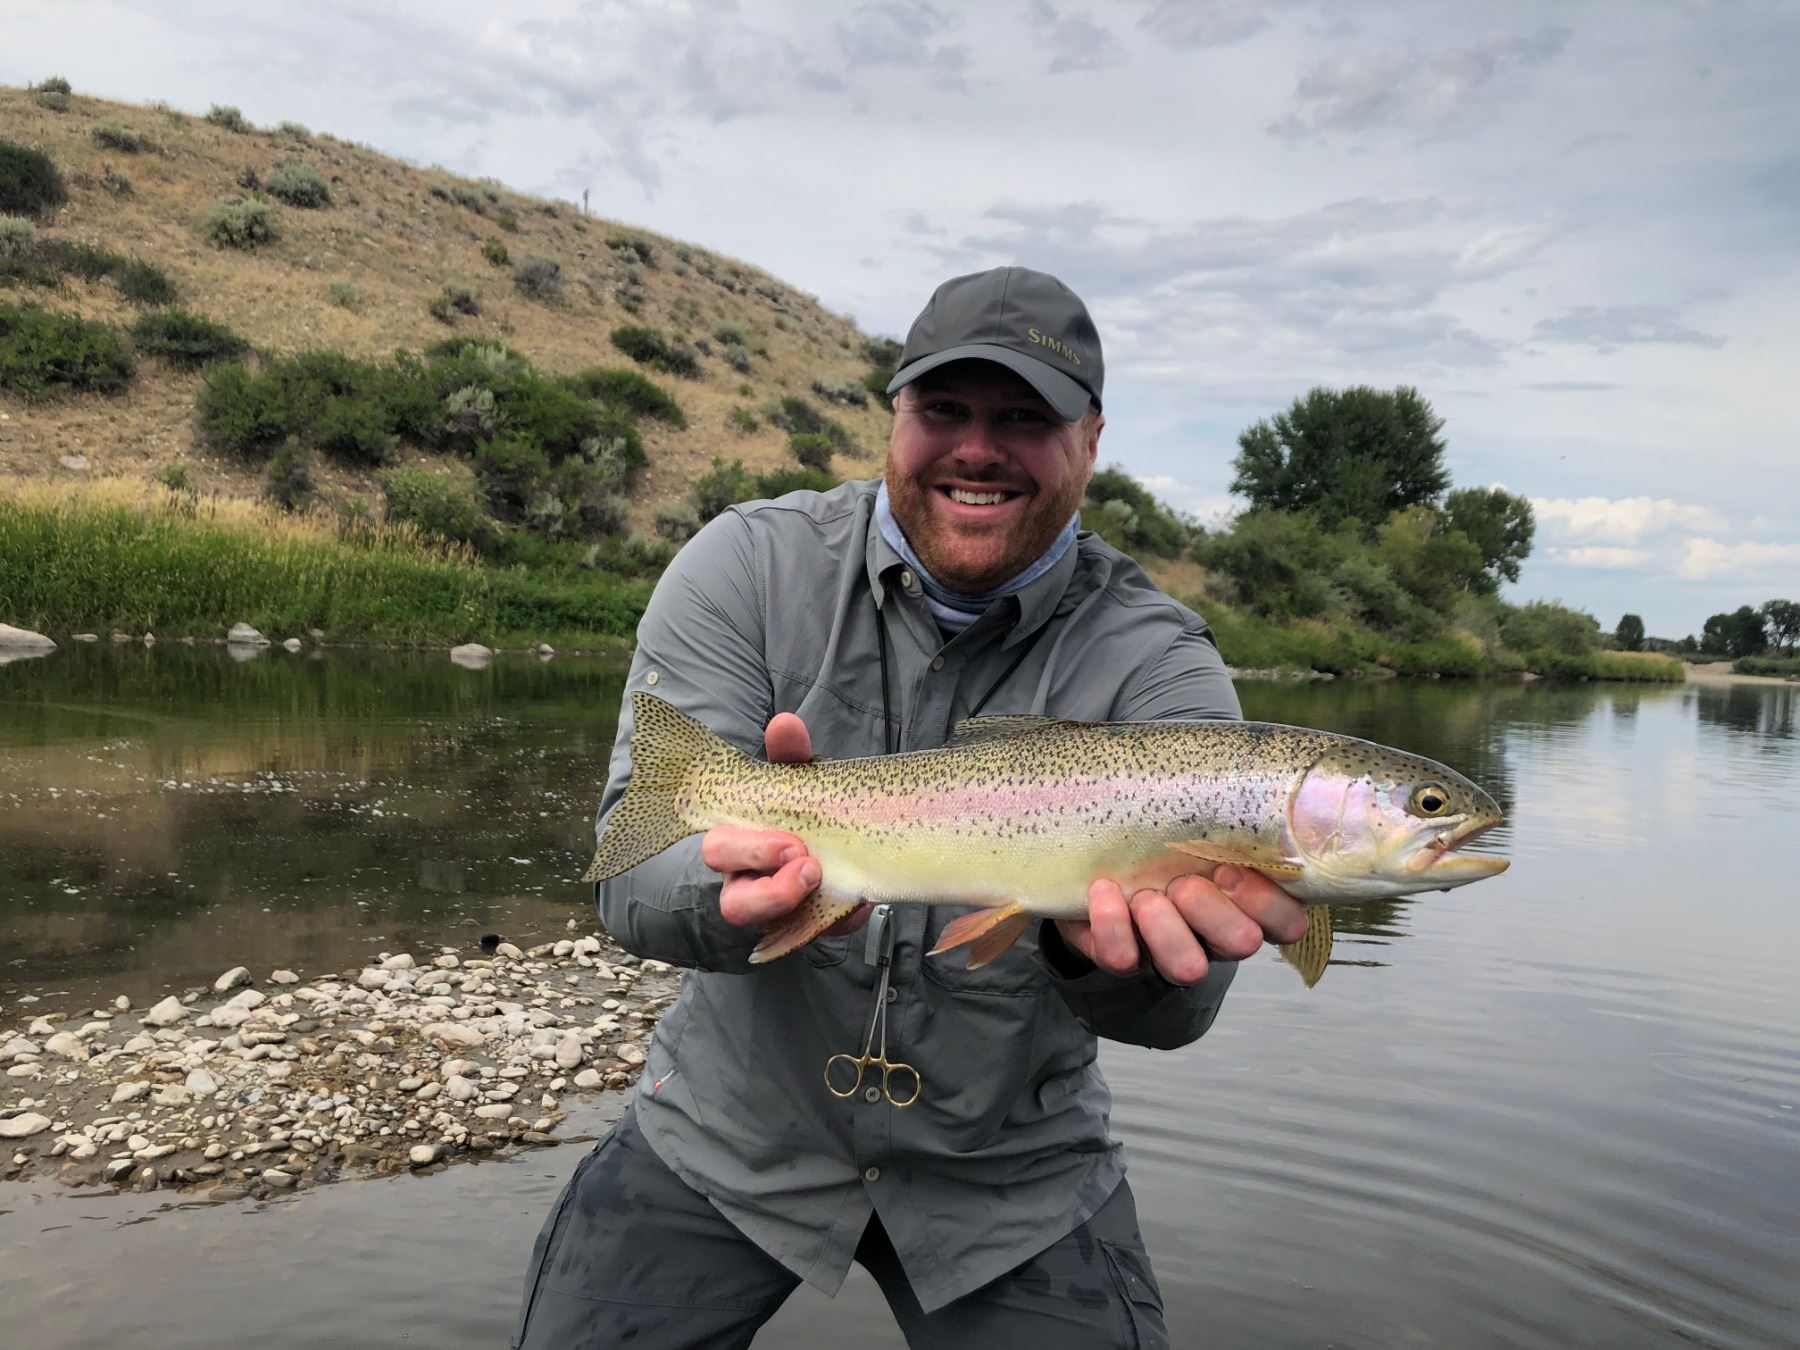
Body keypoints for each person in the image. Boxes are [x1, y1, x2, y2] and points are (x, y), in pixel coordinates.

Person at [512, 266, 1309, 1350]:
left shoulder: (1161, 663)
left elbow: (1181, 1011)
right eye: (945, 409)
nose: (978, 448)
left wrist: (1090, 952)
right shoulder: (748, 565)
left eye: (1024, 418)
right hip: (730, 1135)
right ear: (894, 417)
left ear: (1091, 439)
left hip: (1012, 1178)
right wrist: (732, 889)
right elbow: (629, 881)